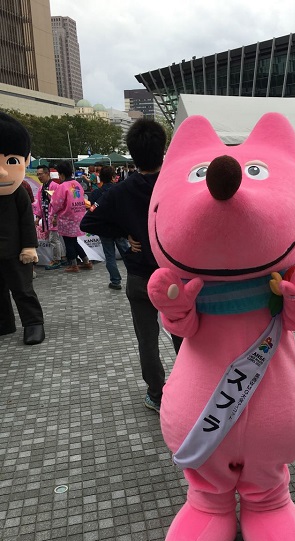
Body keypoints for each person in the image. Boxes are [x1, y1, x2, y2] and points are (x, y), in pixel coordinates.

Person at [80, 119, 182, 413]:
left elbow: (88, 222)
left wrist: (125, 233)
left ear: (133, 153)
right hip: (175, 276)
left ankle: (156, 394)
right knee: (183, 335)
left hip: (140, 276)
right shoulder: (176, 185)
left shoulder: (120, 191)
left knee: (147, 340)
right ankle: (191, 388)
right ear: (163, 148)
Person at [0, 111, 45, 345]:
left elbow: (27, 221)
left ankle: (33, 323)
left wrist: (29, 246)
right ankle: (4, 323)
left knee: (22, 288)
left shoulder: (18, 193)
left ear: (25, 161)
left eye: (11, 161)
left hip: (16, 251)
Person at [89, 165, 129, 290]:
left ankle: (115, 281)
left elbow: (92, 210)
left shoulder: (96, 193)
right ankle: (135, 277)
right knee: (127, 254)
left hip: (104, 229)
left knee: (109, 256)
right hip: (119, 228)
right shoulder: (121, 190)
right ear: (113, 177)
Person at [49, 161, 93, 273]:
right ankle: (86, 261)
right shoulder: (77, 184)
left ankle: (73, 264)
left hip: (67, 218)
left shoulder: (62, 186)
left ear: (61, 174)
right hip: (78, 216)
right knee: (74, 241)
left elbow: (56, 203)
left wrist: (53, 214)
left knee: (68, 242)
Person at [34, 166, 65, 269]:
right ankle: (62, 257)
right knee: (56, 239)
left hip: (54, 218)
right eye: (37, 174)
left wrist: (55, 216)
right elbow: (39, 203)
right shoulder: (41, 188)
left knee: (53, 239)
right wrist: (38, 217)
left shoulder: (55, 186)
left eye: (40, 174)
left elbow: (58, 204)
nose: (39, 176)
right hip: (47, 217)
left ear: (47, 174)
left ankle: (57, 260)